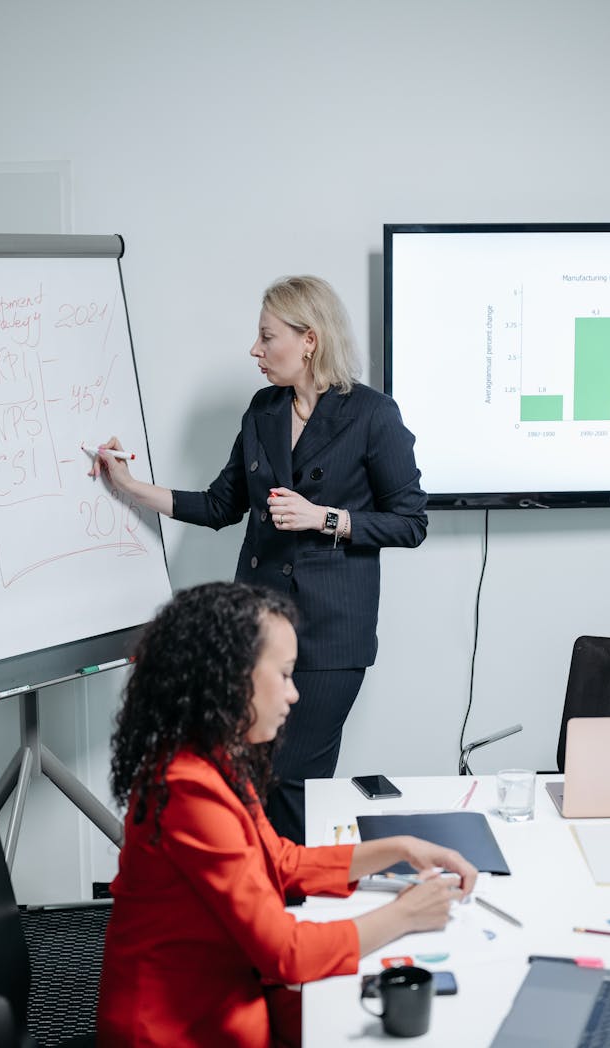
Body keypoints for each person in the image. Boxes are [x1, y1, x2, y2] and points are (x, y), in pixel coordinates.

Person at [91, 275, 427, 844]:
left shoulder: (371, 415)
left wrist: (326, 517)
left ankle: (291, 912)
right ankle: (261, 907)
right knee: (251, 779)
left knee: (293, 781)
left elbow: (412, 521)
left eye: (267, 336)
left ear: (309, 341)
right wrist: (129, 487)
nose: (255, 349)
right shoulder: (263, 410)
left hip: (330, 637)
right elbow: (221, 504)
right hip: (259, 633)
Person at [96, 581, 477, 1048]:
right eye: (285, 674)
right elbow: (284, 953)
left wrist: (398, 849)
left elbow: (280, 860)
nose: (294, 694)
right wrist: (405, 914)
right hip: (178, 1028)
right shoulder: (188, 789)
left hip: (224, 998)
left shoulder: (214, 755)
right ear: (231, 677)